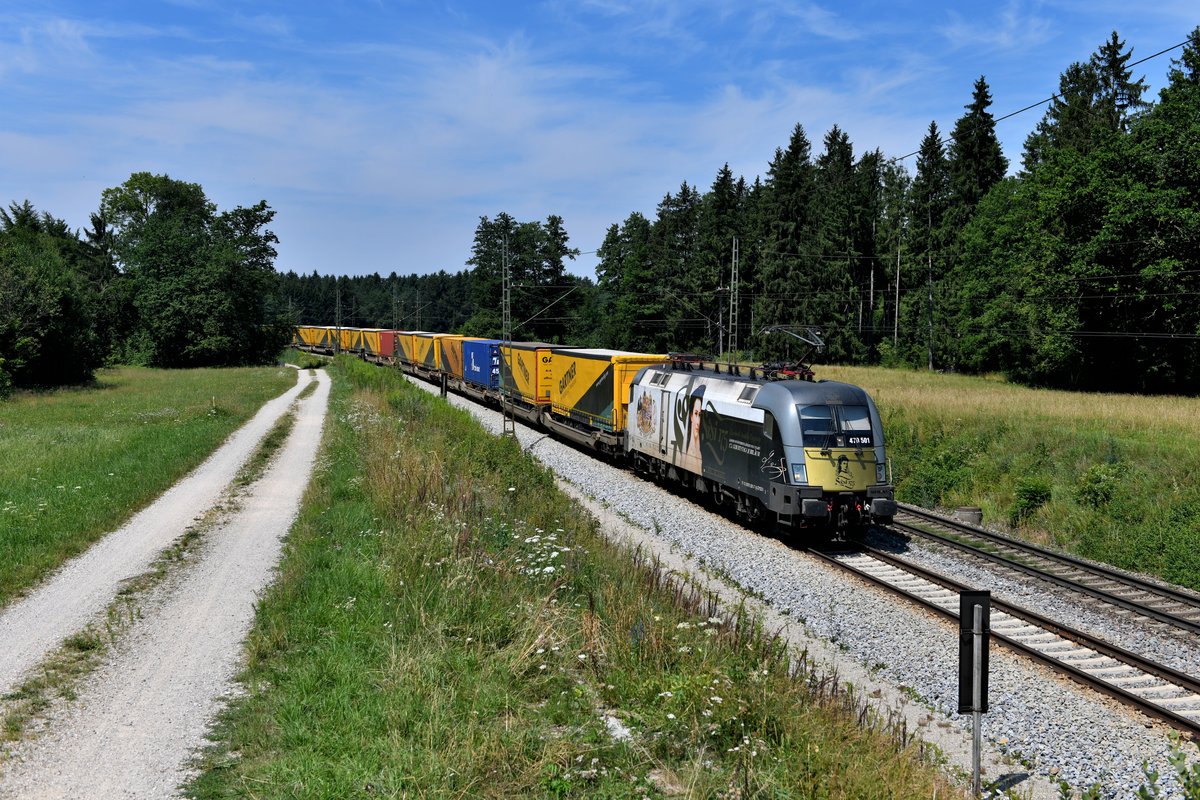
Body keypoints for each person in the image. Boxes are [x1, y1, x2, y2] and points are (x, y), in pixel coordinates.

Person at [680, 385, 705, 474]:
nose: (698, 421)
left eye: (700, 415)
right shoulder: (688, 454)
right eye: (696, 414)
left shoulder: (700, 453)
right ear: (691, 416)